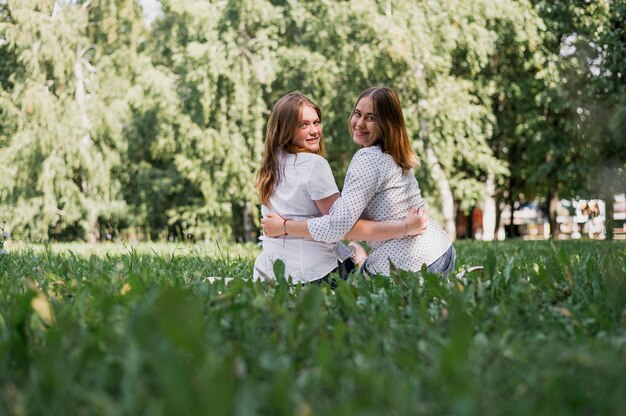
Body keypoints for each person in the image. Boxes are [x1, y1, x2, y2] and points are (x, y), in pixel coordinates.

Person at [262, 87, 455, 278]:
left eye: (371, 118)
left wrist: (285, 226)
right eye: (358, 114)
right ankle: (362, 257)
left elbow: (340, 226)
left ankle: (360, 258)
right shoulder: (394, 153)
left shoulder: (367, 158)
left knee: (354, 293)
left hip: (412, 262)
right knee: (360, 275)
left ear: (387, 124)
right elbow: (347, 224)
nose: (360, 124)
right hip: (441, 250)